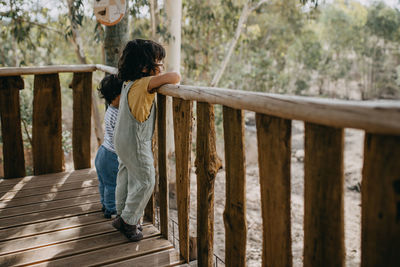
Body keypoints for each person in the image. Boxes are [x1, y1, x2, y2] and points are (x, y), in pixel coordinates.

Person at [112, 39, 180, 241]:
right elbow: (175, 77)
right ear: (144, 66)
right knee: (147, 179)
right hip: (136, 141)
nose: (161, 67)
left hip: (121, 139)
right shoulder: (145, 84)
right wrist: (163, 73)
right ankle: (129, 221)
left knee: (124, 175)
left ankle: (121, 214)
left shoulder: (128, 83)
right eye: (158, 62)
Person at [94, 74, 122, 219]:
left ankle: (105, 204)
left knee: (103, 183)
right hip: (111, 155)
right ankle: (111, 210)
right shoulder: (118, 114)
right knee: (112, 185)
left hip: (102, 152)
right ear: (116, 96)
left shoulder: (110, 109)